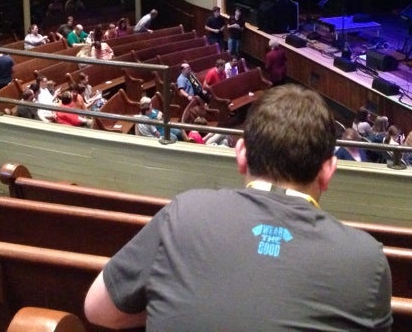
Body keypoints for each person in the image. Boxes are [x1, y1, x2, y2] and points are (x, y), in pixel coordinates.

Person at [84, 84, 393, 331]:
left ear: (241, 154)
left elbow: (98, 309)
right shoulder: (365, 259)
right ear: (329, 171)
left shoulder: (185, 212)